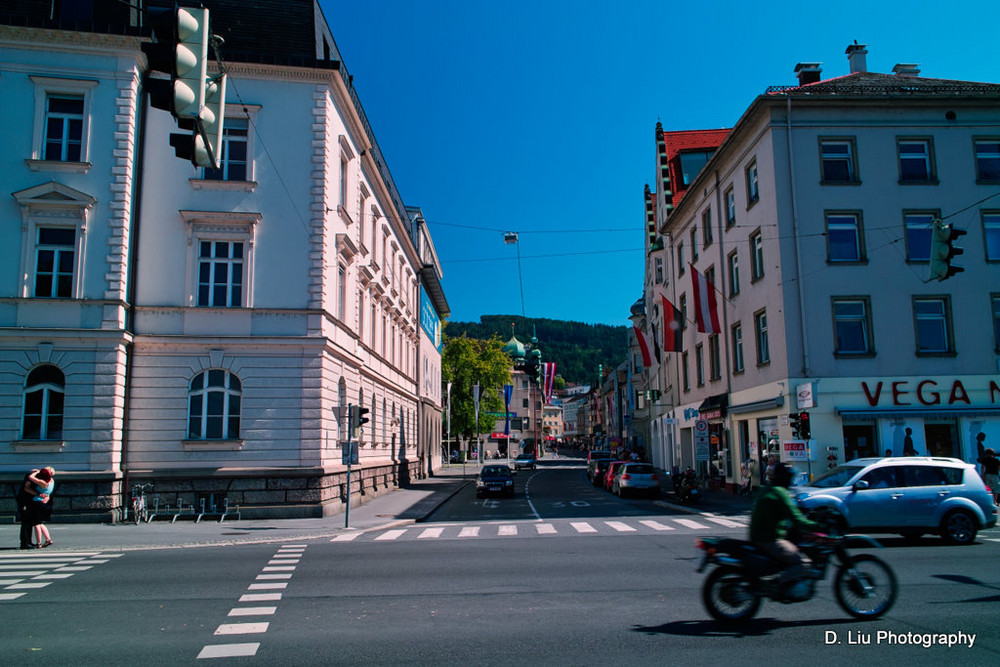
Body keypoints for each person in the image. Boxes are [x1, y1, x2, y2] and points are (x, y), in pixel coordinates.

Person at [749, 462, 823, 587]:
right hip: (769, 538)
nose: (791, 481)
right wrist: (819, 527)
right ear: (784, 478)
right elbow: (797, 519)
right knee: (803, 563)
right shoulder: (779, 493)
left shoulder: (767, 488)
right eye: (790, 478)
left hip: (760, 534)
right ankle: (774, 584)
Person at [27, 467, 55, 548]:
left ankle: (38, 543)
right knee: (40, 523)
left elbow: (31, 477)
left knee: (36, 524)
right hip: (43, 503)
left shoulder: (43, 483)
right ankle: (48, 539)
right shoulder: (52, 481)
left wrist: (36, 472)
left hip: (37, 502)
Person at [16, 468, 40, 550]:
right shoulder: (30, 477)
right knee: (26, 522)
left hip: (28, 501)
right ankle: (24, 543)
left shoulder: (35, 476)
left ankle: (28, 541)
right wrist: (38, 494)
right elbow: (26, 488)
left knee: (29, 522)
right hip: (24, 501)